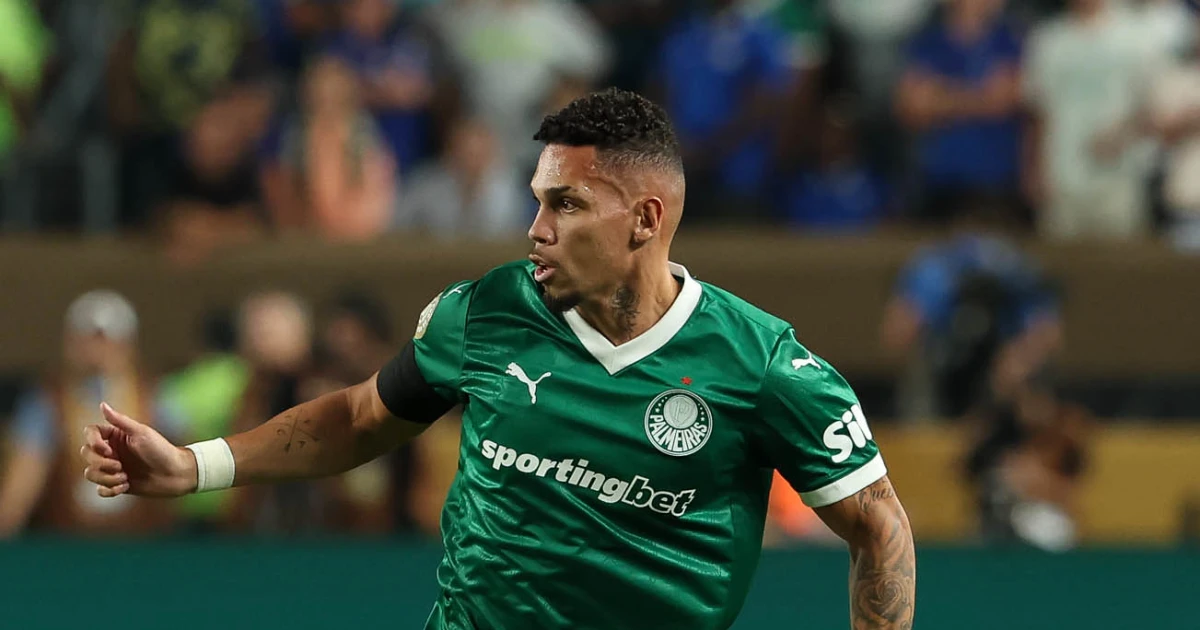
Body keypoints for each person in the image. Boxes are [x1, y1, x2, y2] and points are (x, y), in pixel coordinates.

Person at [81, 89, 915, 629]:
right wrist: (195, 465)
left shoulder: (761, 365)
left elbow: (879, 523)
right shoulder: (484, 313)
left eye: (566, 205)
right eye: (536, 201)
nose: (535, 229)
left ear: (645, 220)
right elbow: (362, 418)